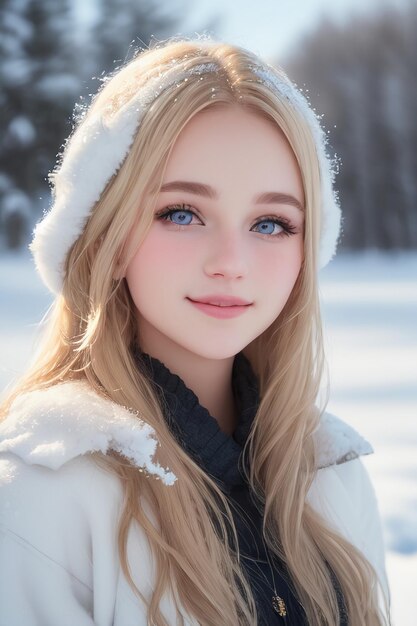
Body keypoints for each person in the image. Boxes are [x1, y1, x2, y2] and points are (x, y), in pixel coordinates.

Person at [0, 36, 391, 626]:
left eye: (271, 222)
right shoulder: (39, 491)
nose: (231, 261)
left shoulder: (328, 470)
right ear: (105, 231)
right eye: (181, 213)